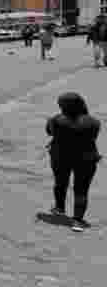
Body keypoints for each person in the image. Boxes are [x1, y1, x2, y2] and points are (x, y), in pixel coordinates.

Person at [46, 92, 100, 232]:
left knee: (60, 183)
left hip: (61, 158)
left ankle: (59, 208)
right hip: (86, 159)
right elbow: (93, 136)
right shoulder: (93, 122)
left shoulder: (56, 120)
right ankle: (78, 221)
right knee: (81, 190)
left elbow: (49, 132)